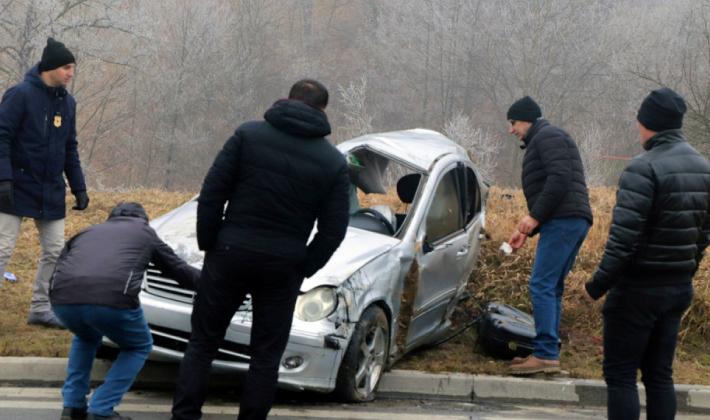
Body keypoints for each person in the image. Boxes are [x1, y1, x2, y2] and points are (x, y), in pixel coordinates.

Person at [171, 79, 350, 420]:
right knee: (266, 355)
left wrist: (211, 242)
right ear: (323, 111)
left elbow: (212, 193)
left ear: (288, 98)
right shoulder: (332, 162)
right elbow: (334, 229)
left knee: (203, 343)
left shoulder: (248, 135)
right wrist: (305, 264)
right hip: (284, 264)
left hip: (230, 251)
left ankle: (185, 415)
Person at [585, 88, 710, 420]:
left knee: (621, 375)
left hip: (638, 290)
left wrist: (597, 285)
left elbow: (623, 241)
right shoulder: (703, 167)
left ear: (650, 123)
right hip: (677, 288)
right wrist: (685, 271)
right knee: (659, 375)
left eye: (640, 121)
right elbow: (703, 235)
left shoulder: (643, 169)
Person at [51, 202, 200, 420]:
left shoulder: (87, 231)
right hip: (112, 300)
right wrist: (215, 284)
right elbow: (178, 271)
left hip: (63, 299)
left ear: (111, 217)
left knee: (85, 337)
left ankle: (72, 405)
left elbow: (59, 266)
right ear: (144, 219)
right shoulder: (145, 233)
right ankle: (101, 408)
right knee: (139, 345)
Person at [0, 37, 89, 328]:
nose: (71, 73)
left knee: (54, 251)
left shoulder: (68, 103)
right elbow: (2, 137)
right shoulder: (20, 95)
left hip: (50, 189)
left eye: (72, 67)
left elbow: (69, 147)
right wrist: (4, 177)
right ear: (50, 67)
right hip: (13, 186)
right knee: (2, 249)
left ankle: (40, 308)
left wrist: (79, 187)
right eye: (66, 67)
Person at [505, 96, 593, 375]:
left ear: (527, 119)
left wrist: (534, 217)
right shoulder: (545, 138)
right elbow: (556, 185)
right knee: (551, 286)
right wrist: (527, 230)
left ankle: (544, 354)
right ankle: (547, 353)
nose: (511, 129)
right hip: (567, 220)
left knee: (541, 284)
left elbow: (559, 178)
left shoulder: (548, 136)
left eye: (513, 122)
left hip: (564, 221)